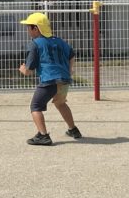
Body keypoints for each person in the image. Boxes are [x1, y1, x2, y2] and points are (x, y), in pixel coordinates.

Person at [18, 12, 82, 146]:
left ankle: (43, 136)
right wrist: (70, 70)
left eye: (28, 27)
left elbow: (29, 71)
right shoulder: (59, 41)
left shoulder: (35, 44)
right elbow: (71, 55)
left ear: (36, 28)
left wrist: (23, 69)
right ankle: (73, 130)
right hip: (64, 79)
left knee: (35, 107)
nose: (27, 30)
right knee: (60, 103)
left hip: (49, 80)